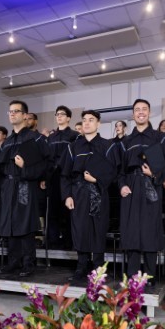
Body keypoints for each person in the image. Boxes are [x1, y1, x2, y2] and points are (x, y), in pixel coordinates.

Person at [61, 110, 122, 281]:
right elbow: (65, 175)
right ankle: (81, 266)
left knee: (99, 229)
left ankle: (98, 267)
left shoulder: (108, 146)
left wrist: (97, 179)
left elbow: (114, 172)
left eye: (91, 120)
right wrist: (67, 196)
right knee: (80, 229)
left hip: (99, 192)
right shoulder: (73, 147)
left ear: (98, 124)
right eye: (84, 120)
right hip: (78, 194)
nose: (87, 123)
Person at [119, 99, 165, 278]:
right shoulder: (126, 141)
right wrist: (122, 186)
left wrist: (156, 174)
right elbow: (119, 170)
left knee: (150, 229)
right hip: (131, 186)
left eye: (144, 109)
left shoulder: (160, 137)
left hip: (152, 184)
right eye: (137, 110)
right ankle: (133, 276)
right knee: (132, 229)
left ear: (149, 113)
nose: (141, 112)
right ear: (133, 114)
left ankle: (149, 276)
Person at [0, 100, 50, 277]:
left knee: (25, 224)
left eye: (16, 111)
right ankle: (13, 262)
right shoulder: (7, 141)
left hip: (25, 183)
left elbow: (47, 163)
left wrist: (26, 168)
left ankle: (28, 263)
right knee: (10, 223)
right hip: (8, 186)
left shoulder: (36, 138)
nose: (12, 114)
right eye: (10, 111)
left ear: (25, 115)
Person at [46, 105, 79, 249]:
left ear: (69, 118)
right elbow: (47, 158)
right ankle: (53, 242)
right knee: (53, 210)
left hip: (67, 176)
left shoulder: (74, 135)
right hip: (52, 176)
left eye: (62, 114)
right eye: (57, 114)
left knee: (67, 210)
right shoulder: (51, 137)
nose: (59, 116)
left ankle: (69, 242)